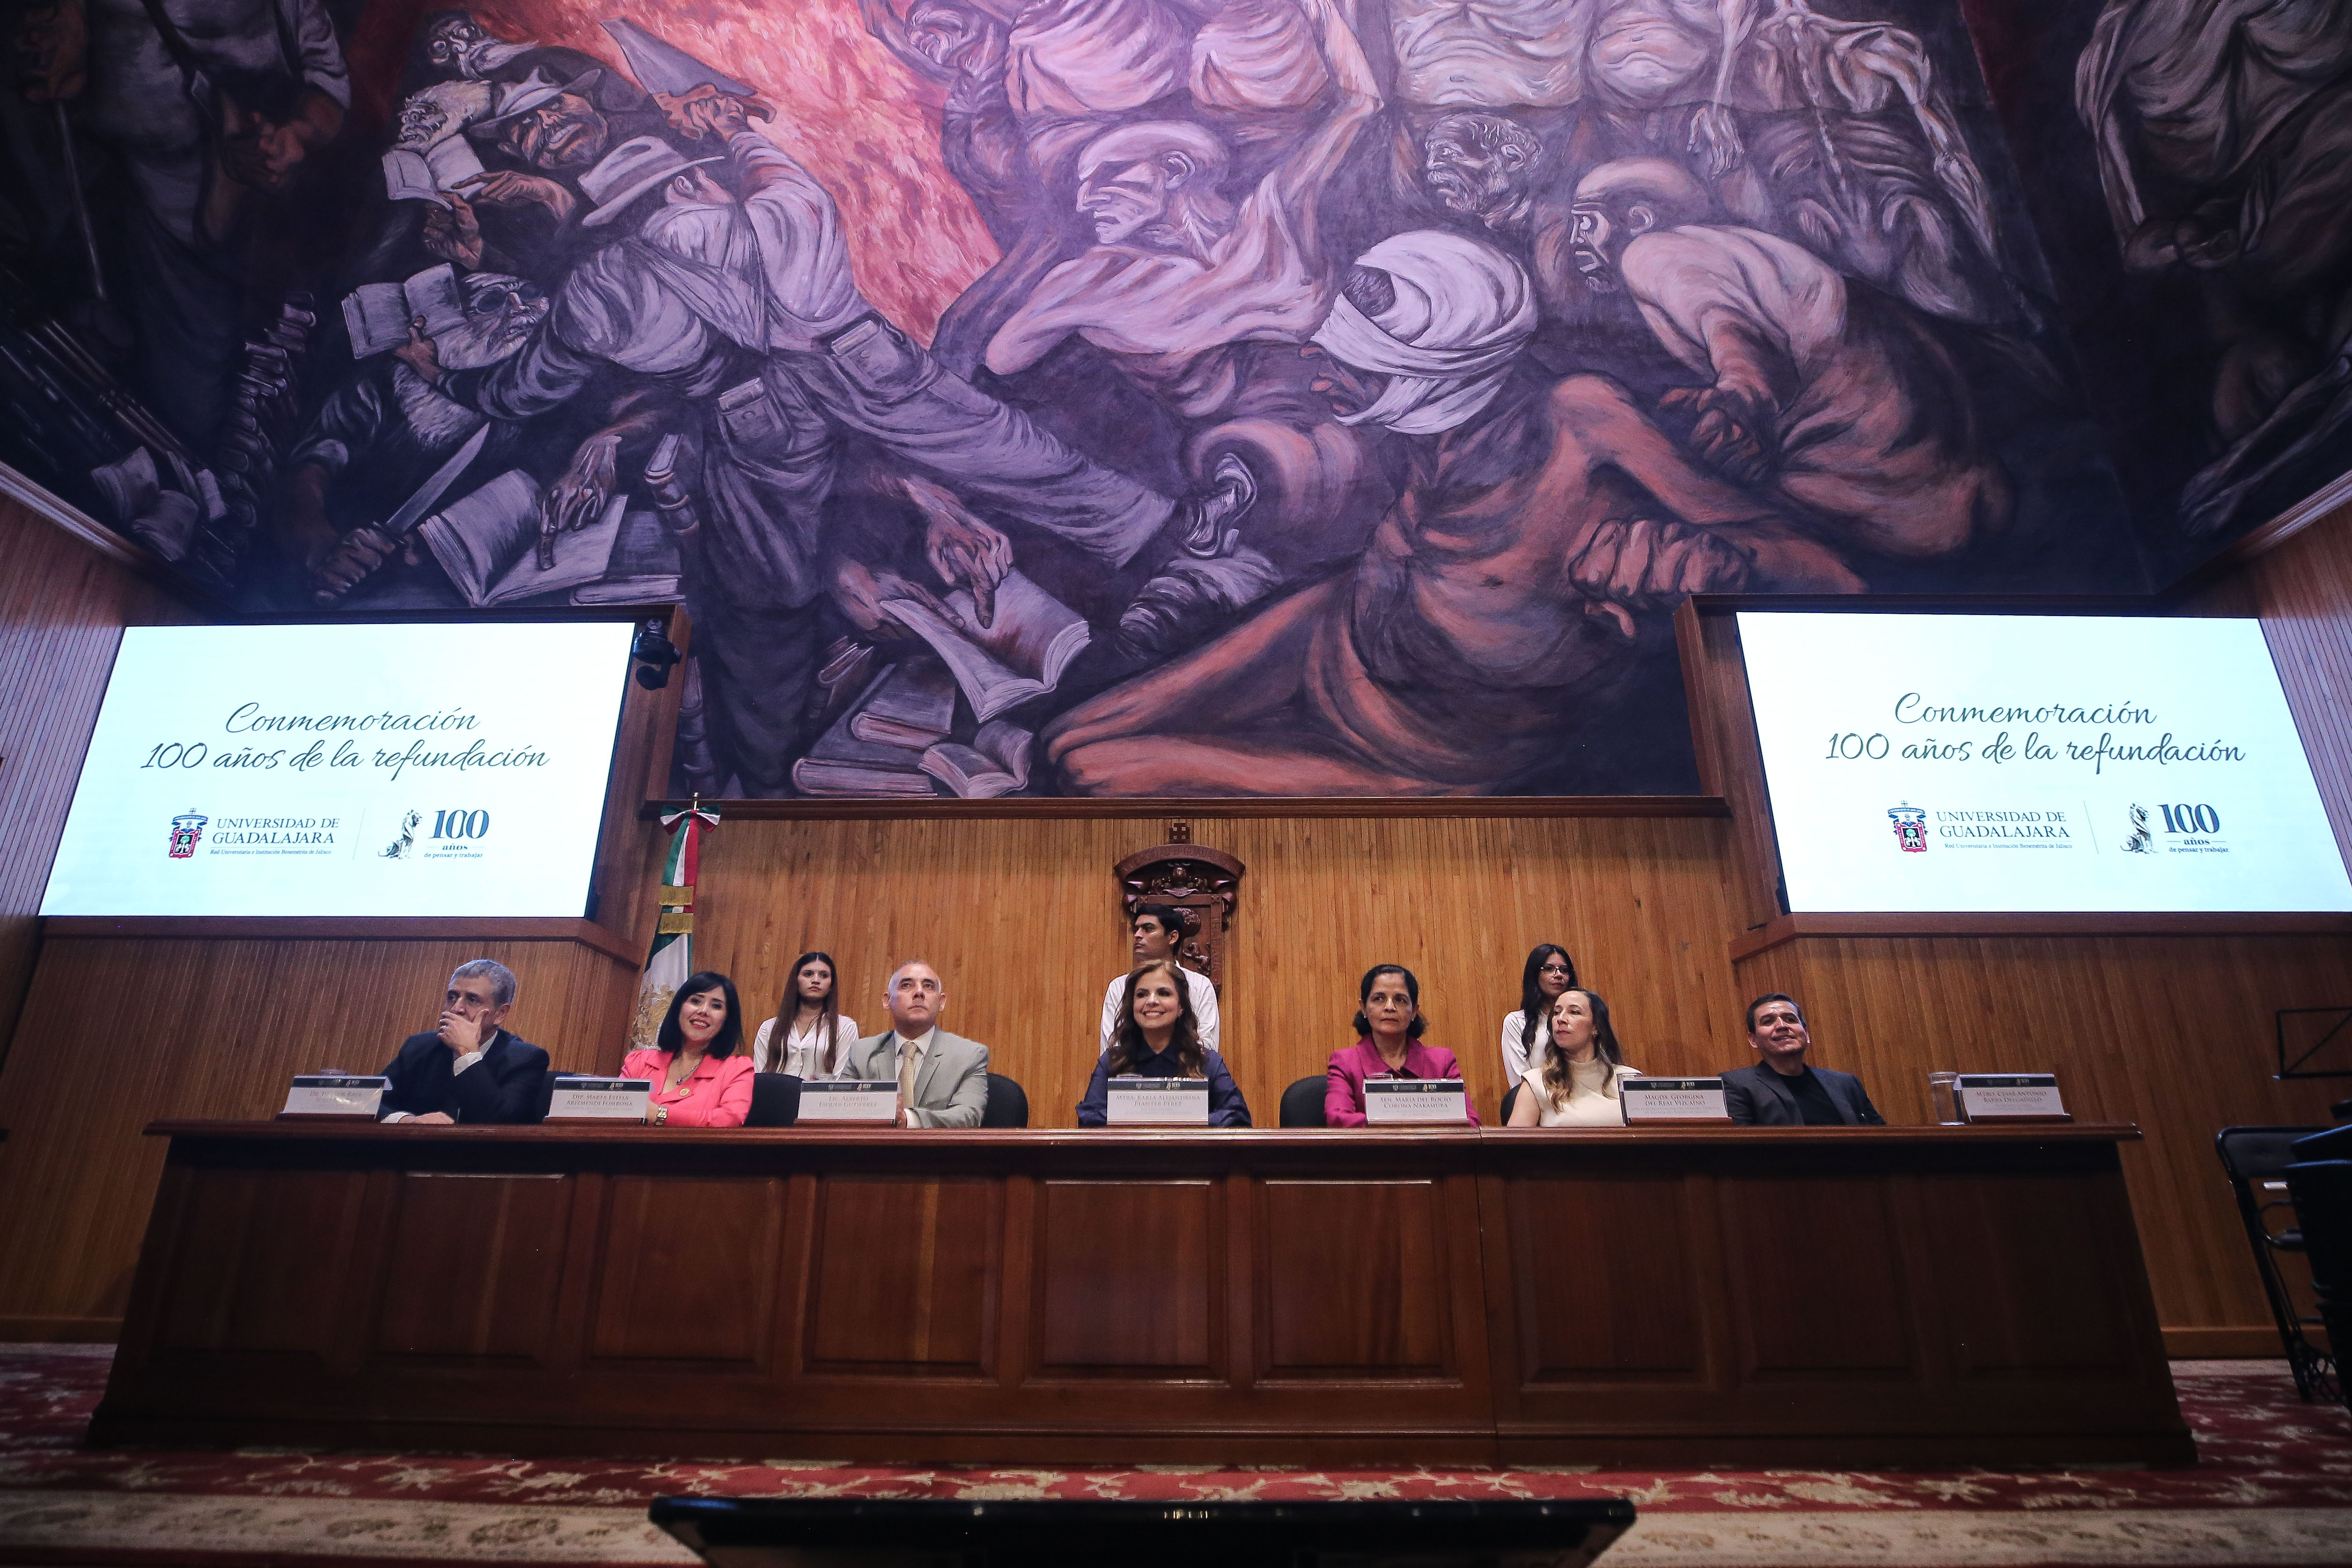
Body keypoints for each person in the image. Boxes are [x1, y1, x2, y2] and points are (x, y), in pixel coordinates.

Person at [1077, 958, 1250, 1126]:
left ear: (1181, 1007)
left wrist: (1179, 1121)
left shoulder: (1207, 1062)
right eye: (1142, 995)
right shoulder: (1112, 1061)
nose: (1152, 1001)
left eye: (1164, 993)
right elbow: (1089, 1118)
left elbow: (1238, 1117)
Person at [378, 959, 549, 1124]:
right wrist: (407, 1120)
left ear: (500, 1014)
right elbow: (368, 1098)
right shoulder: (419, 1047)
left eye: (472, 1000)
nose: (456, 1009)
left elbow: (499, 1120)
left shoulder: (525, 1059)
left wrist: (467, 1054)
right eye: (452, 997)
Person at [1324, 964, 1478, 1127]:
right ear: (1364, 1008)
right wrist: (1414, 1123)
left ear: (1414, 1011)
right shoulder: (1346, 1062)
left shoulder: (1442, 1062)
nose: (1389, 1007)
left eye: (1400, 1000)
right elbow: (1337, 1119)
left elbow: (1471, 1123)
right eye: (1379, 999)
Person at [840, 961, 991, 1127]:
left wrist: (908, 1119)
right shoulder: (862, 1053)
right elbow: (839, 1111)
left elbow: (968, 1116)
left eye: (928, 986)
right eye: (906, 985)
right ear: (887, 1001)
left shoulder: (969, 1056)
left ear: (941, 1002)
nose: (919, 992)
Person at [1723, 993, 1885, 1126]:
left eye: (1791, 1019)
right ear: (1753, 1040)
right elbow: (1740, 1146)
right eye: (1768, 1022)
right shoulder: (1737, 1085)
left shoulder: (1847, 1083)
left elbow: (1881, 1137)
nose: (1782, 1026)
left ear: (1806, 1034)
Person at [621, 971, 754, 1127]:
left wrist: (660, 1114)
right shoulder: (640, 1062)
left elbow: (729, 1119)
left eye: (716, 1006)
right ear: (679, 1008)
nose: (703, 1011)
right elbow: (615, 1112)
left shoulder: (736, 1070)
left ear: (727, 1020)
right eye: (696, 1001)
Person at [1097, 904, 1220, 1055]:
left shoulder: (1200, 985)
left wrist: (1165, 1060)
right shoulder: (1120, 986)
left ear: (1172, 937)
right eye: (1136, 929)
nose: (1137, 935)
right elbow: (1112, 1047)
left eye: (1148, 929)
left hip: (1188, 1068)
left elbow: (1207, 1046)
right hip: (1129, 1069)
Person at [1507, 988, 1642, 1126]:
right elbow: (1516, 1139)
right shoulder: (1536, 1083)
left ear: (1596, 1027)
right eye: (1557, 1013)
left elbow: (1648, 1133)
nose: (1561, 1019)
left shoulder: (1629, 1080)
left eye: (1574, 1012)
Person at [750, 950, 859, 1077]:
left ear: (831, 985)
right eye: (808, 974)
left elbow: (841, 1079)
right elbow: (759, 1077)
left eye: (824, 976)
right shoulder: (769, 1028)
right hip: (773, 1090)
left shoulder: (845, 1027)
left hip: (821, 1091)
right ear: (796, 980)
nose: (816, 980)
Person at [1500, 943, 1577, 1081]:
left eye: (1564, 970)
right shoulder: (1517, 1022)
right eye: (1549, 969)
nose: (1558, 975)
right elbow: (1519, 1080)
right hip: (1535, 1094)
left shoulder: (1583, 1019)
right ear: (1535, 975)